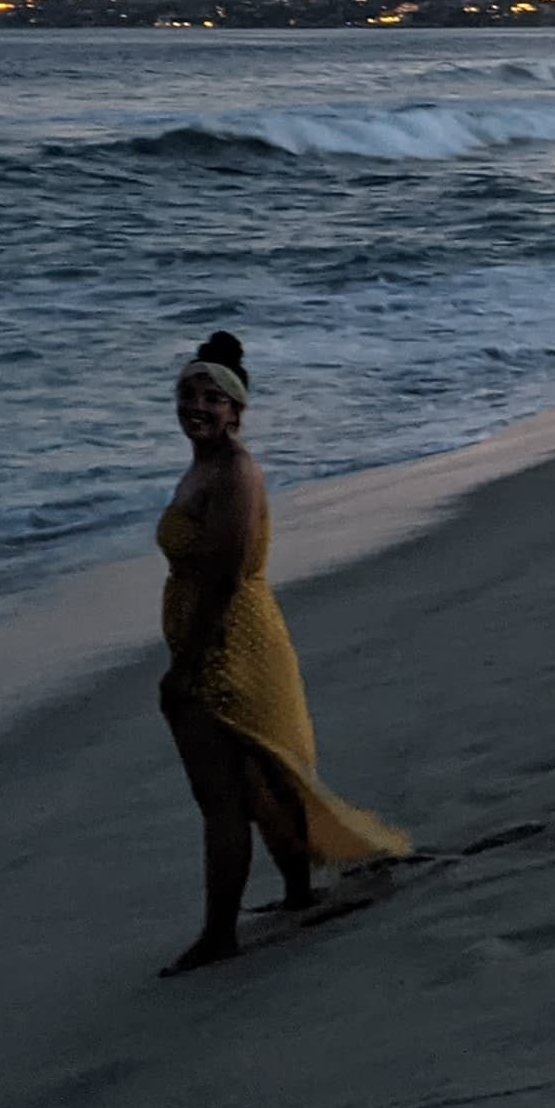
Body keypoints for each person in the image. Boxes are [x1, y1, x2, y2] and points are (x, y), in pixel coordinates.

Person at [153, 332, 408, 974]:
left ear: (237, 412)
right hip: (222, 639)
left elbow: (229, 575)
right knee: (262, 776)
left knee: (224, 797)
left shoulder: (236, 473)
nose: (199, 407)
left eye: (214, 398)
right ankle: (297, 893)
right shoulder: (203, 468)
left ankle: (219, 934)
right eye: (189, 394)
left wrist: (185, 668)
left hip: (232, 646)